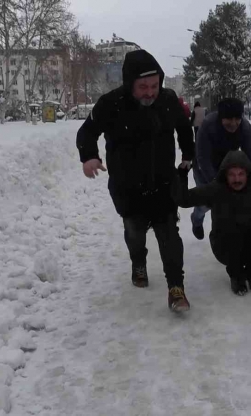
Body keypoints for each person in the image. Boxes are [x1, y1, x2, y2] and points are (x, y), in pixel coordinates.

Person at [76, 49, 195, 313]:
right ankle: (138, 263)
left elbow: (184, 128)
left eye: (154, 85)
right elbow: (87, 132)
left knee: (169, 235)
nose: (150, 92)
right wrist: (89, 156)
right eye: (143, 87)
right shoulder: (111, 104)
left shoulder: (167, 100)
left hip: (163, 183)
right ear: (130, 83)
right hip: (127, 188)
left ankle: (176, 288)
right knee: (135, 233)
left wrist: (188, 155)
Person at [173, 150, 251, 295]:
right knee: (232, 231)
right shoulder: (215, 190)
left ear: (248, 174)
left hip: (250, 242)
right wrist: (182, 175)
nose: (237, 179)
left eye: (241, 174)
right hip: (224, 245)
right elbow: (184, 200)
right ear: (225, 175)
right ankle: (237, 276)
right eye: (232, 175)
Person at [190, 98, 251, 240]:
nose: (233, 123)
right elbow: (202, 157)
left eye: (237, 119)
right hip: (203, 166)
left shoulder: (245, 127)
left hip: (227, 165)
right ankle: (196, 219)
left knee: (229, 202)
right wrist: (216, 183)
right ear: (221, 117)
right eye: (228, 119)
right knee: (207, 202)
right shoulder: (208, 125)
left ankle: (224, 235)